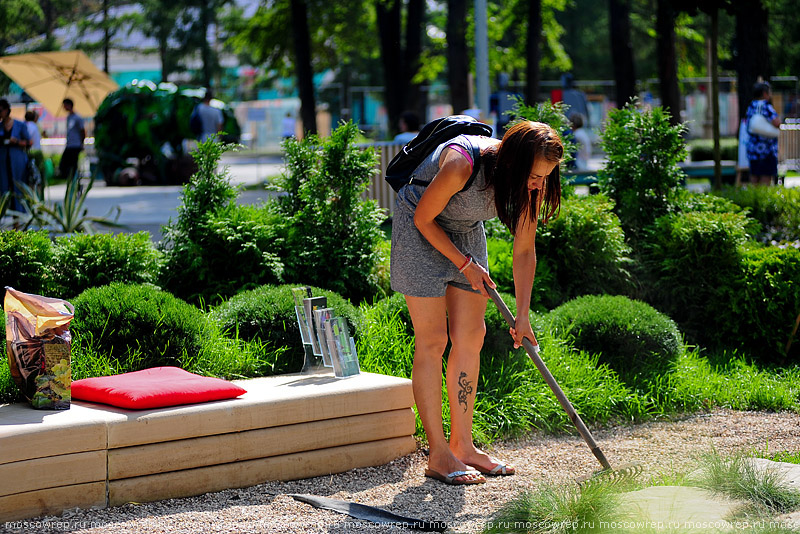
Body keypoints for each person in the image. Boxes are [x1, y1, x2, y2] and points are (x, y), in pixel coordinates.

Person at [390, 121, 563, 485]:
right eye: (533, 175)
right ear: (512, 161)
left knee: (471, 337)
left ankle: (463, 445)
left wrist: (523, 315)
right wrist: (466, 265)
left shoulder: (532, 182)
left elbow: (525, 249)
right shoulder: (462, 164)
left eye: (545, 177)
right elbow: (423, 217)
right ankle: (438, 453)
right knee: (433, 340)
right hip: (420, 226)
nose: (537, 184)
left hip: (465, 232)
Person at [745, 81, 780, 185]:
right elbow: (776, 122)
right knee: (766, 178)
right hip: (767, 150)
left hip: (753, 149)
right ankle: (763, 199)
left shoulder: (751, 106)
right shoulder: (766, 106)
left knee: (754, 177)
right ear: (765, 93)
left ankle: (754, 198)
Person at [0, 99, 31, 212]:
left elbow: (29, 142)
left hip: (18, 161)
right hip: (3, 161)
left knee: (18, 187)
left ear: (7, 110)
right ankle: (9, 214)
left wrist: (17, 142)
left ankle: (19, 216)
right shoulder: (0, 126)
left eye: (1, 110)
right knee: (4, 188)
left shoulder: (19, 125)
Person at [60, 98, 85, 183]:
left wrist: (82, 143)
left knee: (73, 165)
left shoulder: (77, 117)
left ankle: (75, 183)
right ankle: (71, 181)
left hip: (75, 145)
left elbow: (82, 131)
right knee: (64, 165)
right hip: (69, 144)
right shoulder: (69, 117)